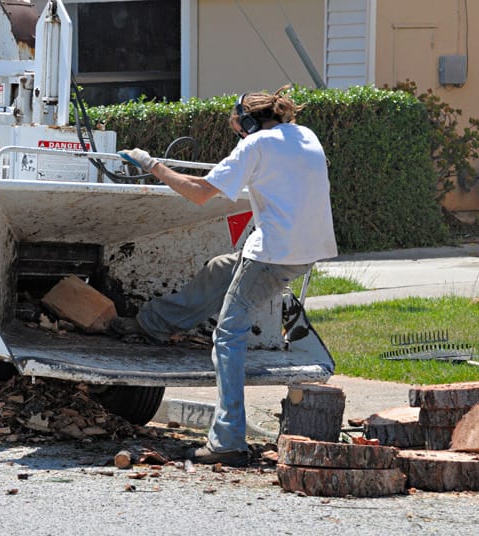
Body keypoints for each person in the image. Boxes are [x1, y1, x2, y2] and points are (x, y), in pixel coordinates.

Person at [116, 85, 338, 467]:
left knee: (228, 336)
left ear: (250, 122)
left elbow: (200, 194)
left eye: (239, 125)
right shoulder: (305, 136)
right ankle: (154, 322)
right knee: (223, 268)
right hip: (308, 250)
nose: (238, 131)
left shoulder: (256, 146)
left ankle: (228, 440)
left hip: (272, 253)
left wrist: (152, 165)